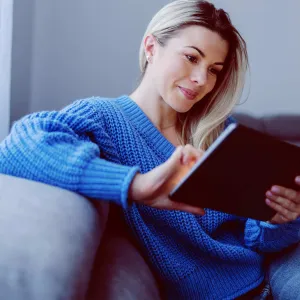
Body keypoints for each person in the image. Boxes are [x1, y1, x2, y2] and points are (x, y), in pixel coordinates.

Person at [0, 0, 300, 299]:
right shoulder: (103, 118)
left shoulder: (218, 130)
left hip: (268, 283)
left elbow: (254, 237)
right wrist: (136, 184)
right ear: (151, 47)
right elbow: (18, 145)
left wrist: (279, 219)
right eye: (191, 57)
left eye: (213, 70)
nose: (201, 80)